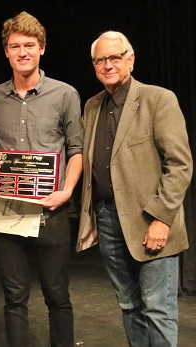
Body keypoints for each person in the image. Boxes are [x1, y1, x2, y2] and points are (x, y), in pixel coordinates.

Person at [77, 31, 193, 347]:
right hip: (110, 220)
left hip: (151, 221)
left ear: (130, 59)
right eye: (100, 59)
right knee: (130, 305)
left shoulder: (158, 99)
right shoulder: (92, 106)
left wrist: (162, 218)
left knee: (157, 308)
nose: (108, 64)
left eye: (115, 57)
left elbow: (179, 165)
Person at [0, 12, 83, 347]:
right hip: (8, 211)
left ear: (42, 48)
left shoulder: (65, 94)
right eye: (15, 46)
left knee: (57, 296)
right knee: (13, 298)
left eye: (29, 45)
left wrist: (67, 191)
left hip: (50, 209)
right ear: (6, 52)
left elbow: (76, 150)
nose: (22, 52)